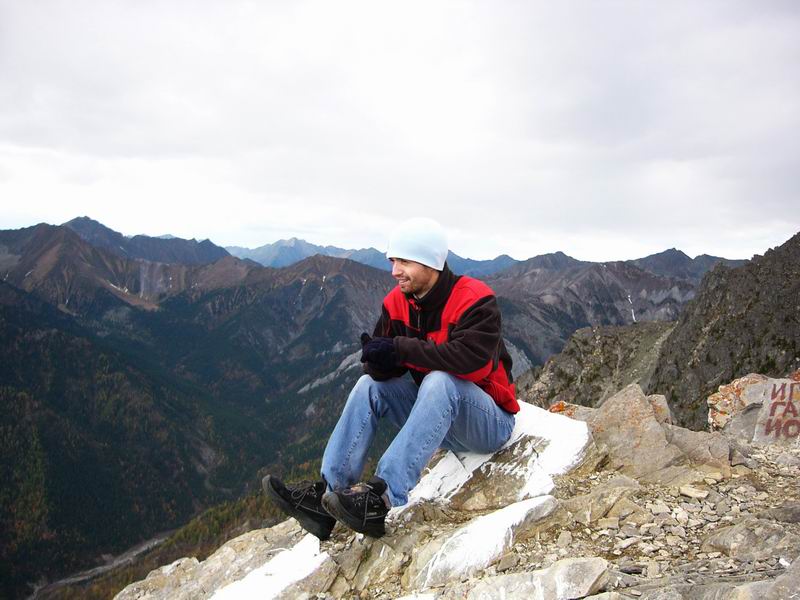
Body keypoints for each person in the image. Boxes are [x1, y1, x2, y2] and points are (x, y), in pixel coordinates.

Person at [263, 217, 519, 539]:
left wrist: (400, 349)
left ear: (431, 262)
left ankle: (383, 498)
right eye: (393, 261)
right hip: (439, 419)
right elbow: (391, 367)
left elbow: (472, 364)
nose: (395, 271)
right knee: (368, 386)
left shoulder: (475, 299)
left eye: (404, 262)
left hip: (489, 423)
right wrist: (378, 362)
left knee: (440, 381)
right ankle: (327, 496)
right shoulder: (397, 302)